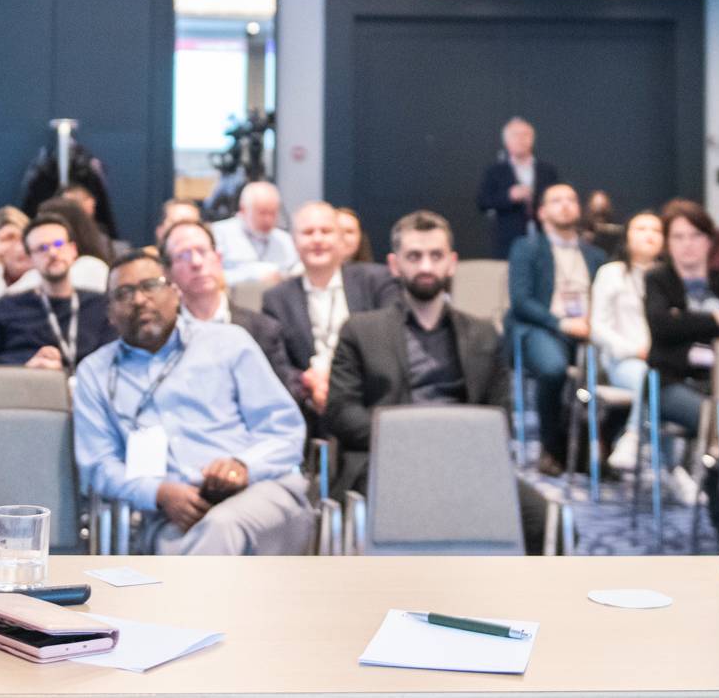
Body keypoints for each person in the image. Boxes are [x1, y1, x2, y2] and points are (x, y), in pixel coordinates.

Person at [324, 210, 550, 551]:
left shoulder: (482, 334)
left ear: (452, 263)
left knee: (544, 522)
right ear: (395, 265)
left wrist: (449, 446)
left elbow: (499, 415)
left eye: (436, 256)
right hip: (386, 463)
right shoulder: (361, 331)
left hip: (464, 462)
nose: (426, 266)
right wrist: (412, 440)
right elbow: (341, 412)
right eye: (414, 257)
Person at [73, 252, 314, 555]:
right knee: (188, 542)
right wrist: (159, 493)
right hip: (168, 514)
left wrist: (243, 466)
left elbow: (285, 430)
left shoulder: (229, 343)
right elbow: (99, 465)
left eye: (150, 285)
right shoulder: (95, 372)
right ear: (110, 312)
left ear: (175, 293)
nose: (139, 300)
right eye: (124, 293)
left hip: (259, 491)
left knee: (219, 527)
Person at [644, 200, 719, 506]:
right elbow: (662, 328)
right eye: (678, 237)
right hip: (671, 383)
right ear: (668, 243)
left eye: (695, 236)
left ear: (708, 240)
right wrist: (715, 320)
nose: (687, 244)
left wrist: (684, 321)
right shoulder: (658, 280)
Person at [260, 201, 399, 425]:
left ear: (342, 240)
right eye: (308, 233)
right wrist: (308, 383)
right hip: (309, 409)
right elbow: (277, 363)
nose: (317, 239)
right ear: (294, 242)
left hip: (369, 401)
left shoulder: (376, 282)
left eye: (326, 231)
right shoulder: (277, 299)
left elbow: (392, 344)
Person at [506, 183, 607, 475]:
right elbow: (521, 301)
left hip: (589, 330)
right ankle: (551, 448)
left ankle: (596, 448)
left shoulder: (595, 255)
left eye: (571, 200)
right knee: (552, 369)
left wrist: (592, 323)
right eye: (556, 200)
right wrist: (562, 323)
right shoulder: (526, 248)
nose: (565, 205)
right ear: (541, 212)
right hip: (540, 326)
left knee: (619, 369)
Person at [163, 219, 305, 407]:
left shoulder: (262, 330)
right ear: (167, 272)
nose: (196, 263)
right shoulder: (162, 335)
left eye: (202, 251)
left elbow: (282, 404)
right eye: (183, 255)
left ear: (218, 258)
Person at [0, 214, 115, 370]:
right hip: (21, 383)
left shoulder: (100, 306)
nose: (53, 253)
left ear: (73, 250)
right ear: (30, 259)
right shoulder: (7, 307)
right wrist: (26, 372)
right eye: (42, 248)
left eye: (58, 244)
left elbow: (116, 362)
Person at [590, 210, 663, 473]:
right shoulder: (611, 273)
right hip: (623, 360)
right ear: (627, 236)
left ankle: (674, 468)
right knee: (649, 378)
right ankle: (632, 436)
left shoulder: (668, 277)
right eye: (641, 229)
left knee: (664, 380)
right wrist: (634, 350)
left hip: (662, 361)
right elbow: (598, 327)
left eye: (656, 230)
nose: (649, 235)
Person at [476, 116, 560, 259]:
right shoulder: (495, 171)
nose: (521, 139)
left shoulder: (547, 170)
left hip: (544, 236)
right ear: (506, 141)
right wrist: (509, 196)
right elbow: (482, 201)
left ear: (532, 139)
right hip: (508, 240)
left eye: (525, 135)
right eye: (515, 135)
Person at [210, 180, 299, 286]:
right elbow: (211, 276)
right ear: (243, 209)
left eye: (273, 213)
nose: (268, 220)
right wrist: (251, 275)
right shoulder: (218, 234)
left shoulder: (285, 240)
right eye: (262, 213)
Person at [581, 189, 623, 260]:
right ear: (590, 205)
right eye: (596, 204)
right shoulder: (582, 224)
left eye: (602, 204)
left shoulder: (614, 223)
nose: (599, 208)